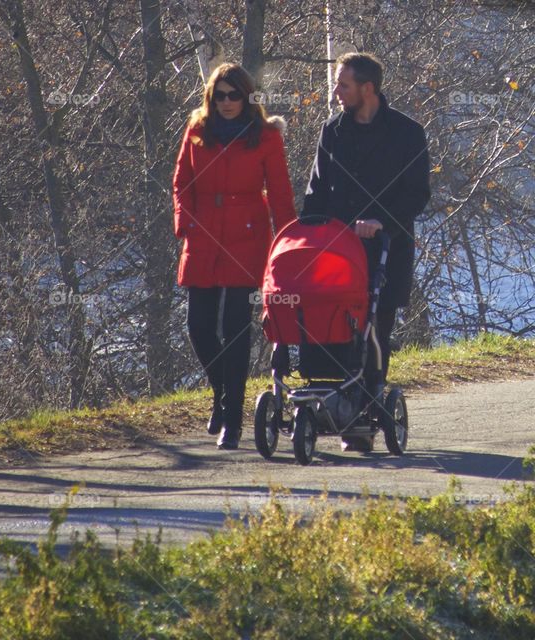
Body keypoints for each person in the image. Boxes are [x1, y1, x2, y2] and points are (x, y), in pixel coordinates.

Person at [300, 52, 431, 452]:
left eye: (343, 85)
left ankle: (365, 414)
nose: (336, 92)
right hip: (337, 250)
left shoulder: (407, 133)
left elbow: (417, 194)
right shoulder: (333, 131)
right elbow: (316, 190)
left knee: (374, 331)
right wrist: (307, 233)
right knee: (332, 325)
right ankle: (335, 406)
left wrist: (382, 223)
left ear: (367, 88)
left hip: (386, 248)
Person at [172, 63, 297, 450]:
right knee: (199, 326)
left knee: (235, 329)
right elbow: (181, 184)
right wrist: (185, 224)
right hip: (203, 234)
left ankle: (233, 421)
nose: (227, 103)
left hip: (248, 235)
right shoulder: (196, 131)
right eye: (220, 95)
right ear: (212, 97)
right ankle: (223, 396)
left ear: (247, 97)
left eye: (234, 95)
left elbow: (279, 192)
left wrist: (289, 244)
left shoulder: (266, 137)